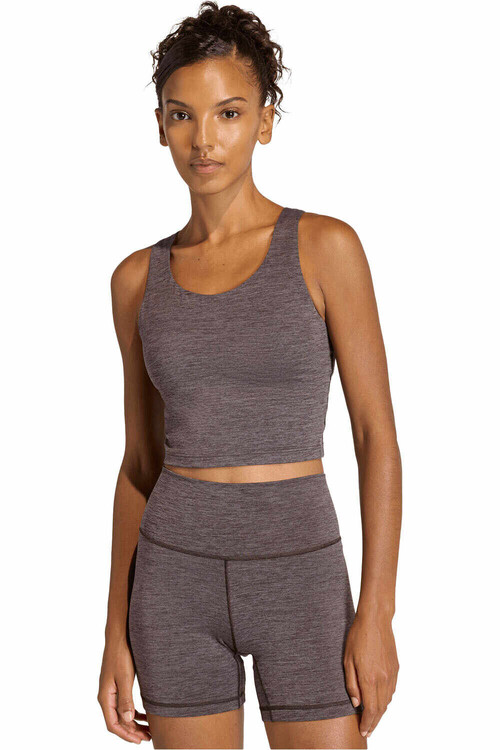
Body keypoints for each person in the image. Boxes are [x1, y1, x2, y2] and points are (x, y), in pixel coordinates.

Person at [98, 3, 402, 748]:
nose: (204, 139)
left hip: (301, 572)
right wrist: (113, 631)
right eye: (182, 115)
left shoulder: (325, 247)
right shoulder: (137, 280)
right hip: (174, 577)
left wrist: (378, 612)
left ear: (265, 121)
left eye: (228, 113)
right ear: (160, 126)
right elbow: (140, 464)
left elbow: (376, 439)